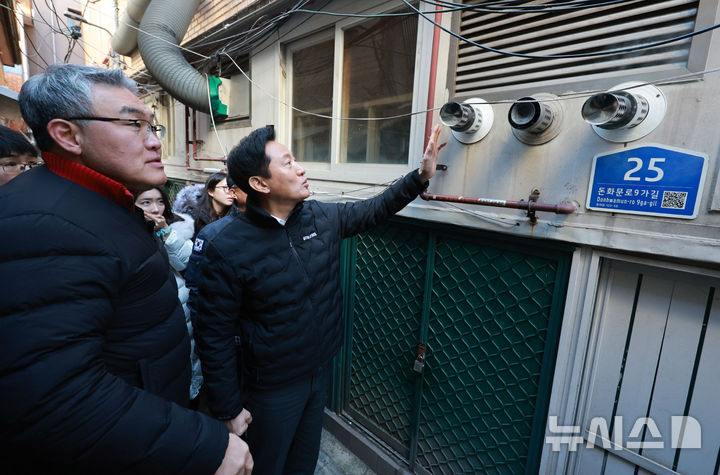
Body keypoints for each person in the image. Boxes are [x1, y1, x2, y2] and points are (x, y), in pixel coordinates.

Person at [0, 64, 252, 474]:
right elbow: (53, 395)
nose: (154, 142)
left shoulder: (104, 203)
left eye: (153, 126)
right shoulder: (43, 223)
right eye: (133, 124)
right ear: (67, 135)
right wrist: (200, 443)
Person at [190, 124, 444, 474]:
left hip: (318, 370)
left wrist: (418, 178)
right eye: (288, 163)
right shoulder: (226, 245)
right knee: (266, 464)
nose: (301, 168)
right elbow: (212, 335)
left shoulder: (321, 218)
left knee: (303, 462)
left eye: (295, 160)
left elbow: (375, 209)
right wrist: (228, 410)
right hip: (270, 386)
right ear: (260, 184)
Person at [135, 185, 203, 402]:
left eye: (160, 201)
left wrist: (166, 232)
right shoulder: (123, 236)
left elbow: (190, 265)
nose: (155, 209)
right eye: (146, 202)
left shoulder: (181, 228)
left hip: (185, 319)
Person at [194, 172, 234, 238]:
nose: (231, 193)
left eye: (232, 188)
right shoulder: (196, 216)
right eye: (225, 188)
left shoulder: (236, 213)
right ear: (211, 192)